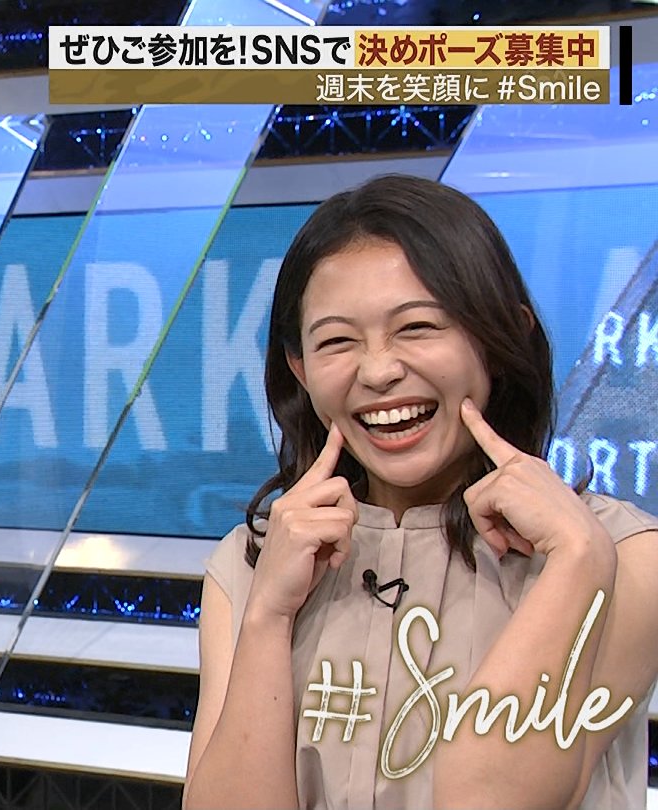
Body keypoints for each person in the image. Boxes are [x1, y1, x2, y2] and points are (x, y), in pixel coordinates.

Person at [184, 175, 658, 809]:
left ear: (502, 338)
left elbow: (489, 801)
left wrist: (577, 559)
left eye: (417, 327)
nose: (379, 371)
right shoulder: (249, 564)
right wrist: (268, 615)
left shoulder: (623, 555)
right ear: (300, 369)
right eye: (336, 341)